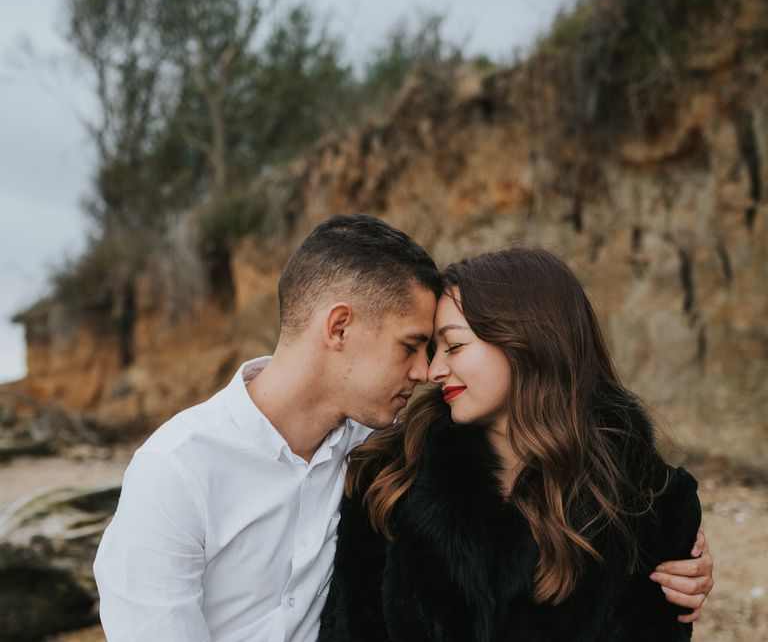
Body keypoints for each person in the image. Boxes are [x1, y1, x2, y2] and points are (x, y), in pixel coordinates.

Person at [94, 215, 711, 641]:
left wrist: (684, 556)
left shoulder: (374, 451)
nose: (425, 372)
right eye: (414, 346)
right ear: (338, 329)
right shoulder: (178, 470)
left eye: (442, 346)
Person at [319, 247, 711, 642]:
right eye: (435, 352)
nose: (434, 371)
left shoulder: (648, 500)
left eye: (454, 346)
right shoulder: (389, 476)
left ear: (528, 343)